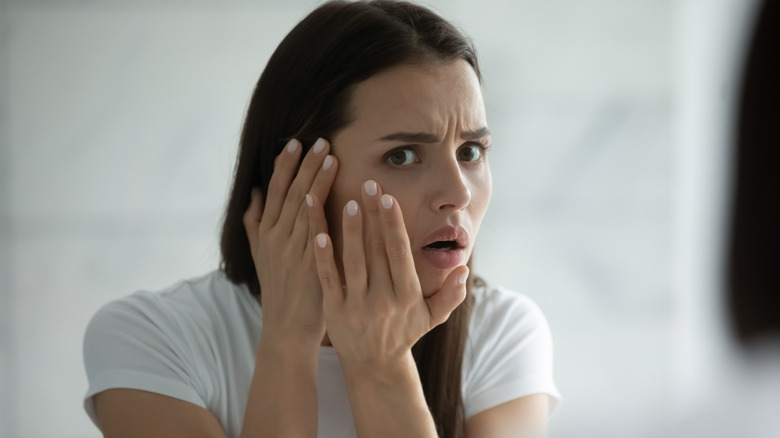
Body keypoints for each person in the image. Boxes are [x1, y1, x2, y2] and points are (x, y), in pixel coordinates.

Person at [82, 1, 561, 437]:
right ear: (298, 176)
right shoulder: (152, 339)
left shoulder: (501, 333)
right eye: (402, 155)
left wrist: (382, 365)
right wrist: (288, 340)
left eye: (471, 151)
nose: (458, 193)